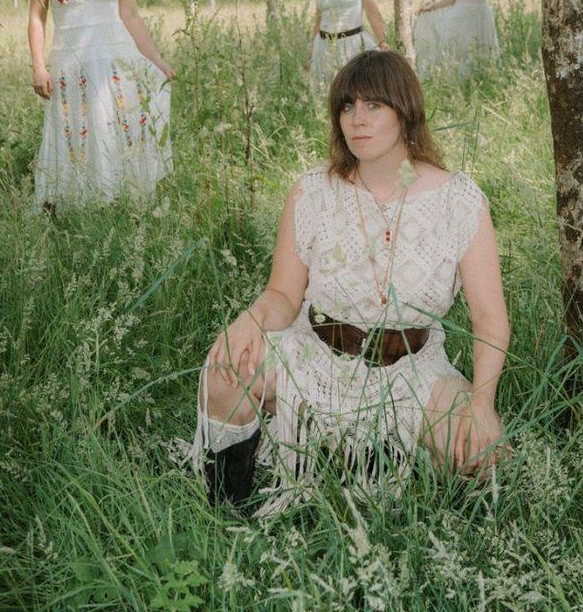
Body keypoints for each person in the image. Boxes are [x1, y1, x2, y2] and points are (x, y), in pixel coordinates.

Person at [192, 50, 510, 513]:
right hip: (317, 354)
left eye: (373, 105)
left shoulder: (458, 200)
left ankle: (376, 473)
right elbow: (283, 294)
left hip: (411, 371)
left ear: (405, 111)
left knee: (487, 453)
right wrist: (250, 320)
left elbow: (490, 319)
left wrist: (482, 405)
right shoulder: (313, 191)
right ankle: (227, 509)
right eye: (347, 106)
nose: (357, 119)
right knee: (224, 373)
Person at [28, 0, 174, 209]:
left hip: (115, 64)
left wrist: (157, 60)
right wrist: (39, 67)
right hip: (70, 65)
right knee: (75, 136)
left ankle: (121, 204)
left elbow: (130, 16)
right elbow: (37, 18)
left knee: (115, 133)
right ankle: (75, 208)